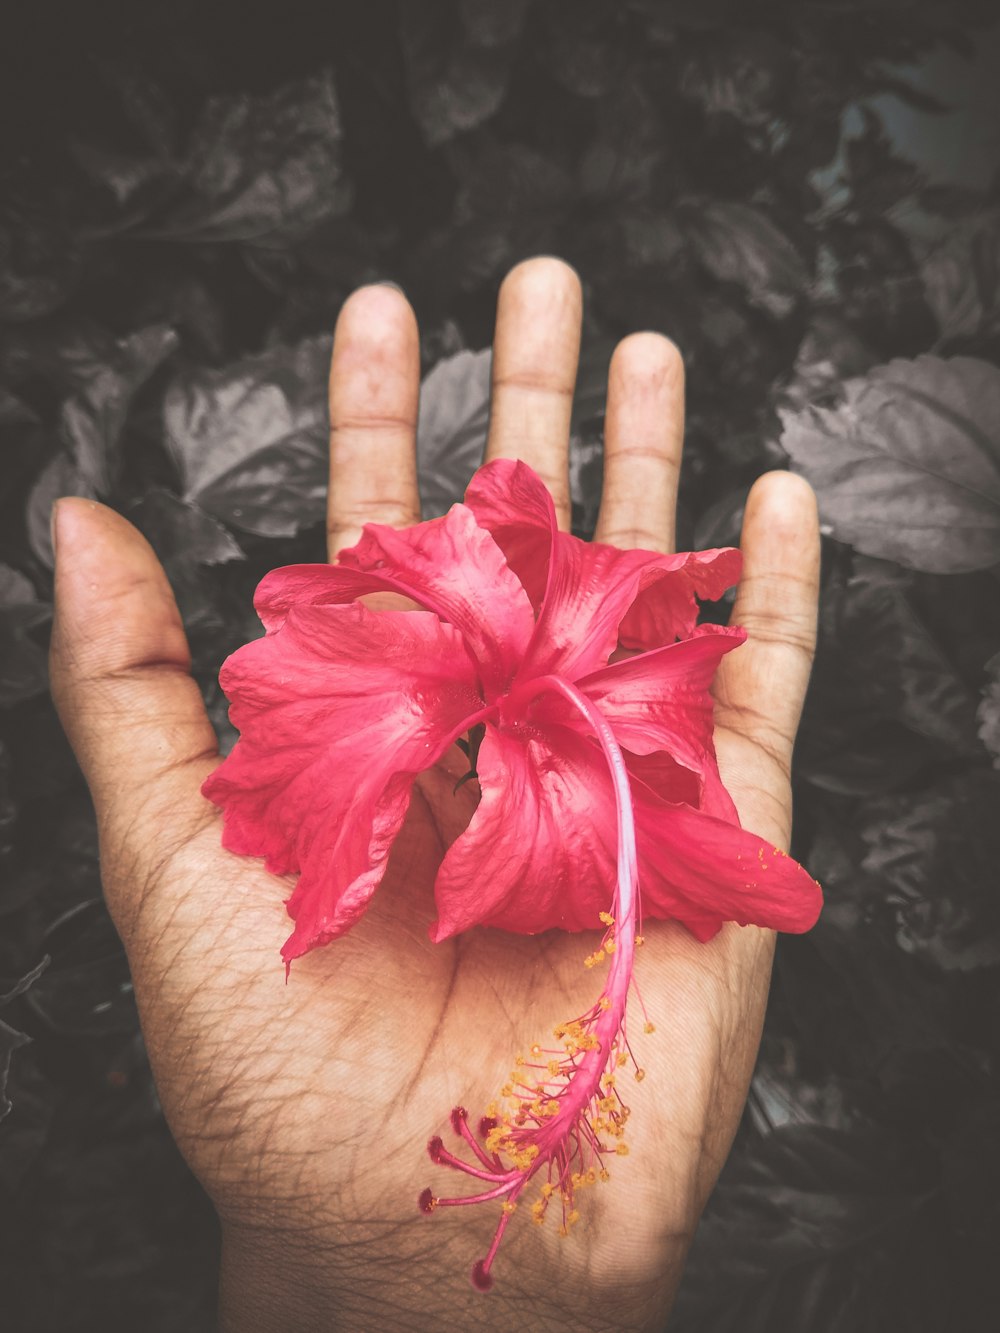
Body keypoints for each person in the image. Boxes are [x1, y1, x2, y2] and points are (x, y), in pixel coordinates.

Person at [49, 258, 820, 1331]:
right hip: (471, 703)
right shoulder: (468, 692)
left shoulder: (594, 730)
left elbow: (649, 660)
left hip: (566, 733)